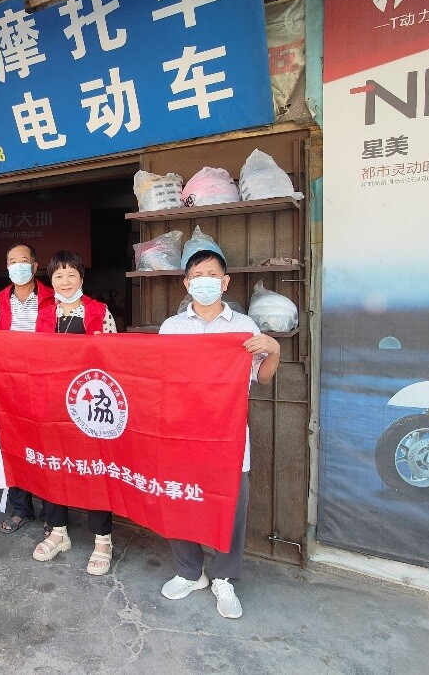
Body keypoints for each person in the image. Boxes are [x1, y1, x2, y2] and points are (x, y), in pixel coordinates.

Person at [156, 249, 280, 619]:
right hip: (181, 432)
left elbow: (262, 377)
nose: (205, 281)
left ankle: (224, 578)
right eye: (197, 275)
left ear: (225, 283)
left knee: (230, 506)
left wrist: (273, 349)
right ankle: (189, 571)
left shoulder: (243, 326)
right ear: (186, 283)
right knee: (179, 499)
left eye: (212, 274)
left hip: (228, 435)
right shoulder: (172, 328)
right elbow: (159, 377)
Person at [29, 250, 118, 576]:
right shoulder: (44, 314)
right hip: (52, 403)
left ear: (81, 278)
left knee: (95, 468)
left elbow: (112, 357)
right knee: (53, 464)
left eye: (71, 274)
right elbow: (34, 356)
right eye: (58, 276)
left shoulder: (99, 311)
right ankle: (58, 531)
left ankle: (102, 539)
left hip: (88, 404)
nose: (65, 281)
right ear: (51, 281)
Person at [0, 243, 53, 535]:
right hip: (11, 385)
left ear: (35, 266)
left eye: (23, 260)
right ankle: (20, 509)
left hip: (44, 384)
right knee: (15, 447)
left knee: (46, 448)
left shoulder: (51, 297)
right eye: (12, 261)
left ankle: (52, 513)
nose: (18, 266)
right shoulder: (1, 300)